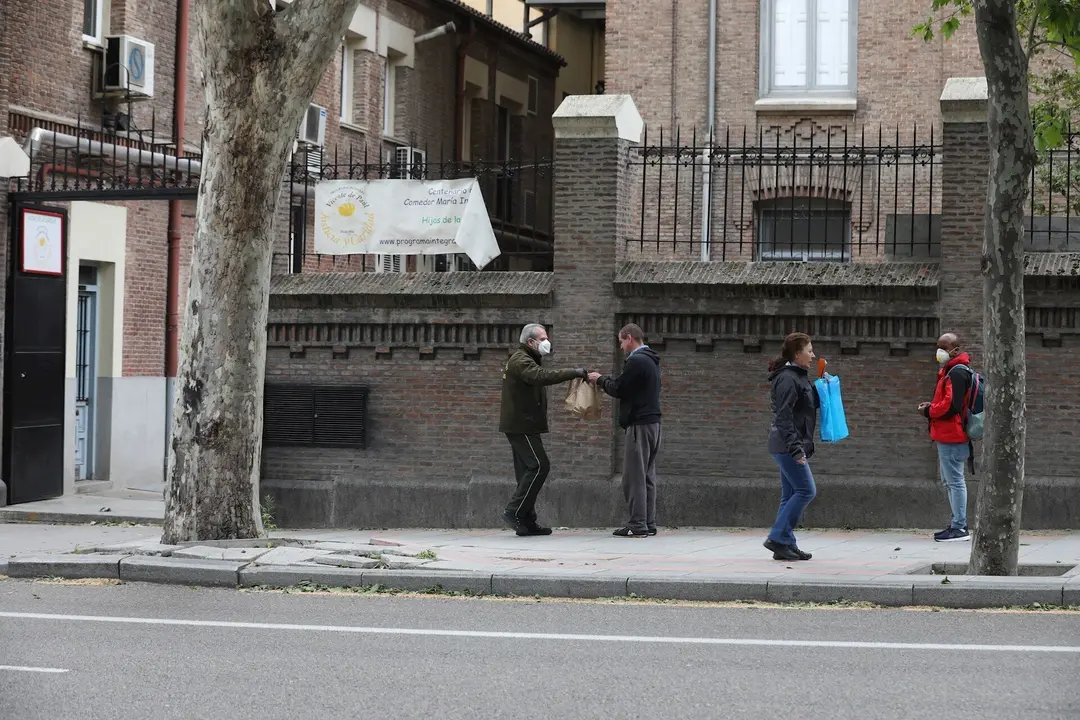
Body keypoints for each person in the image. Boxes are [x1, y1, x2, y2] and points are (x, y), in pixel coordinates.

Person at [499, 323, 587, 536]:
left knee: (526, 472)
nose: (547, 342)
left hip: (522, 424)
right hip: (522, 425)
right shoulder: (521, 360)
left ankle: (527, 522)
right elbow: (540, 376)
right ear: (531, 342)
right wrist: (573, 373)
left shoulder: (526, 358)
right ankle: (514, 512)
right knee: (539, 466)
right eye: (543, 338)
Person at [588, 324, 662, 538]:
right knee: (647, 475)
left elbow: (619, 388)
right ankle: (648, 522)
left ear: (629, 338)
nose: (620, 346)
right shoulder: (651, 359)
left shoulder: (637, 361)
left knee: (634, 477)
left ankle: (638, 524)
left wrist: (599, 379)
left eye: (621, 341)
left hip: (639, 425)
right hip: (653, 424)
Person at [764, 332, 820, 561]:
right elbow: (785, 417)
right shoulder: (787, 378)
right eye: (809, 351)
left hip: (787, 443)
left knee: (790, 495)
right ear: (798, 353)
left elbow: (805, 406)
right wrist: (796, 449)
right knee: (807, 490)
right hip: (786, 444)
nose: (813, 355)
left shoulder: (798, 376)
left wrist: (820, 388)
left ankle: (785, 545)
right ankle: (777, 537)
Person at [918, 332, 973, 543]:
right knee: (951, 481)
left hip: (952, 434)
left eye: (944, 347)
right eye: (938, 346)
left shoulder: (957, 373)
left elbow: (952, 406)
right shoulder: (952, 371)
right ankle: (957, 524)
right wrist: (931, 407)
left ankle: (959, 527)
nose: (939, 351)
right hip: (949, 434)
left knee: (955, 481)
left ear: (956, 350)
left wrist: (929, 411)